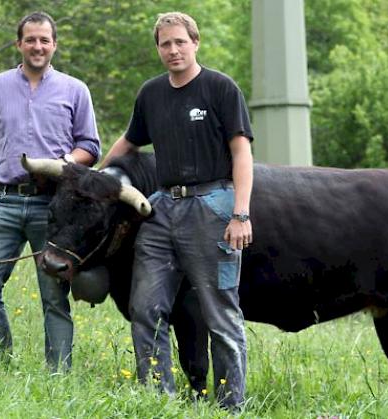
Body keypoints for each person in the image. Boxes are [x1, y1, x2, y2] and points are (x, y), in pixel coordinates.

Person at [100, 12, 253, 409]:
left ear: (195, 43)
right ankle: (158, 400)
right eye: (165, 44)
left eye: (180, 42)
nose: (173, 50)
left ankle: (230, 405)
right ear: (158, 48)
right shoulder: (151, 94)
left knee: (220, 313)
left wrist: (240, 213)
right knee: (145, 307)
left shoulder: (220, 88)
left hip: (213, 207)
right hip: (163, 206)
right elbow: (129, 142)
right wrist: (94, 177)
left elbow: (242, 153)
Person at [0, 11, 100, 372]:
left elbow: (90, 146)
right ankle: (0, 367)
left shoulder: (75, 90)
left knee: (54, 296)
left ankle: (57, 375)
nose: (38, 46)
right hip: (6, 201)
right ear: (19, 44)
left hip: (54, 206)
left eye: (44, 40)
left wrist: (62, 161)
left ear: (54, 44)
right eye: (31, 40)